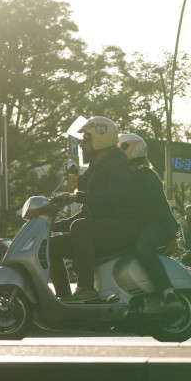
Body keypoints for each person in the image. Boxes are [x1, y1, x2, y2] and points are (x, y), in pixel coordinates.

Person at [49, 116, 139, 302]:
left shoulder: (117, 165)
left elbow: (111, 198)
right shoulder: (94, 169)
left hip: (122, 227)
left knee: (81, 227)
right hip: (102, 228)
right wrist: (56, 225)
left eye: (86, 139)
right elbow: (89, 211)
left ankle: (86, 289)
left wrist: (77, 196)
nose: (82, 145)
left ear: (100, 139)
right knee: (50, 247)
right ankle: (64, 297)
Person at [119, 133, 182, 309]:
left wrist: (171, 235)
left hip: (155, 224)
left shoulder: (146, 176)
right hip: (141, 225)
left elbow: (162, 207)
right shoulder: (127, 177)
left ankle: (168, 292)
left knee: (143, 249)